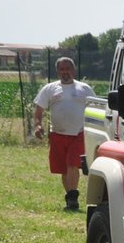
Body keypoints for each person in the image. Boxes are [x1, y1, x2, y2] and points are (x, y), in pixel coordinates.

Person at [32, 56, 97, 211]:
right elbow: (39, 111)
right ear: (57, 71)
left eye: (68, 69)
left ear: (73, 71)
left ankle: (73, 197)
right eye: (62, 69)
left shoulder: (84, 89)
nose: (65, 72)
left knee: (72, 165)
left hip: (79, 133)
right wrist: (38, 126)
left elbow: (95, 108)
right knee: (63, 168)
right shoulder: (49, 89)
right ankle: (70, 198)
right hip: (57, 134)